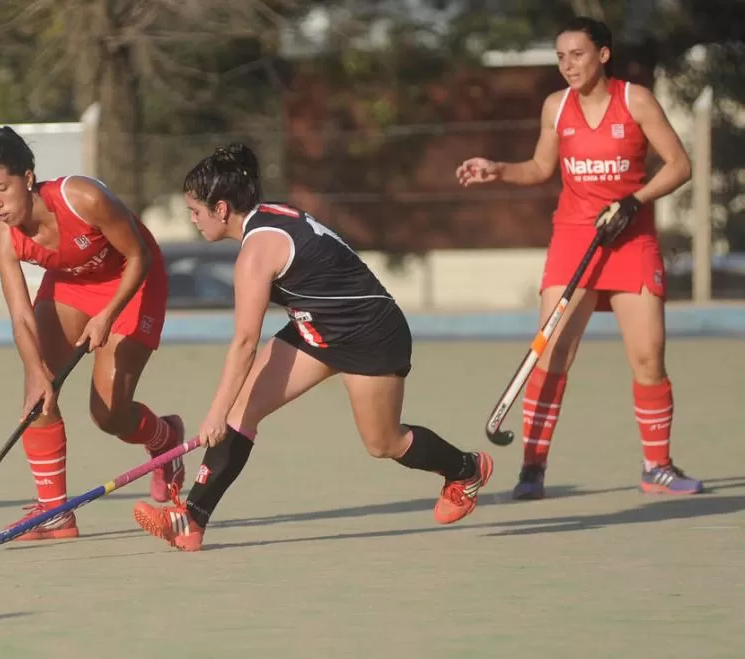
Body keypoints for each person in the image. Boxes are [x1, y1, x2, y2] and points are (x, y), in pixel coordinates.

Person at [130, 143, 494, 552]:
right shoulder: (266, 217)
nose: (193, 220)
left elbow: (245, 342)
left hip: (369, 335)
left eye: (195, 211)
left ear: (221, 208)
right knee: (241, 411)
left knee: (384, 443)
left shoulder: (255, 252)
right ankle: (190, 521)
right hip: (314, 330)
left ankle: (465, 469)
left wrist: (212, 414)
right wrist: (223, 412)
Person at [455, 17, 704, 500]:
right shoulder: (557, 106)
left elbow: (680, 165)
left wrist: (634, 201)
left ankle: (657, 468)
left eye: (579, 55)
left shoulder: (636, 100)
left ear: (603, 55)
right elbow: (540, 168)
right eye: (561, 57)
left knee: (648, 357)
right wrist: (498, 169)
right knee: (550, 356)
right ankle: (532, 469)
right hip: (575, 241)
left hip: (631, 242)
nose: (568, 65)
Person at [0, 126, 186, 540]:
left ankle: (165, 437)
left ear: (28, 178)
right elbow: (20, 318)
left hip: (133, 279)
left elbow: (138, 255)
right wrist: (36, 373)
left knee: (108, 415)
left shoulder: (82, 198)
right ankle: (55, 513)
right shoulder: (4, 239)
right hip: (73, 285)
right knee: (38, 393)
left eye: (2, 188)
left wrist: (108, 314)